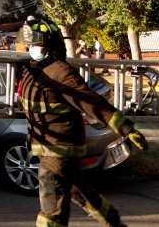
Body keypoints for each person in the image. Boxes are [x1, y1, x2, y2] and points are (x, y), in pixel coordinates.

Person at [18, 17, 148, 227]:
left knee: (51, 196)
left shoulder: (61, 72)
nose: (32, 48)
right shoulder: (32, 69)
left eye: (37, 44)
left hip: (61, 147)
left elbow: (90, 101)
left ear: (50, 45)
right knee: (76, 188)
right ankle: (112, 221)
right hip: (46, 145)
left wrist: (124, 127)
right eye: (30, 44)